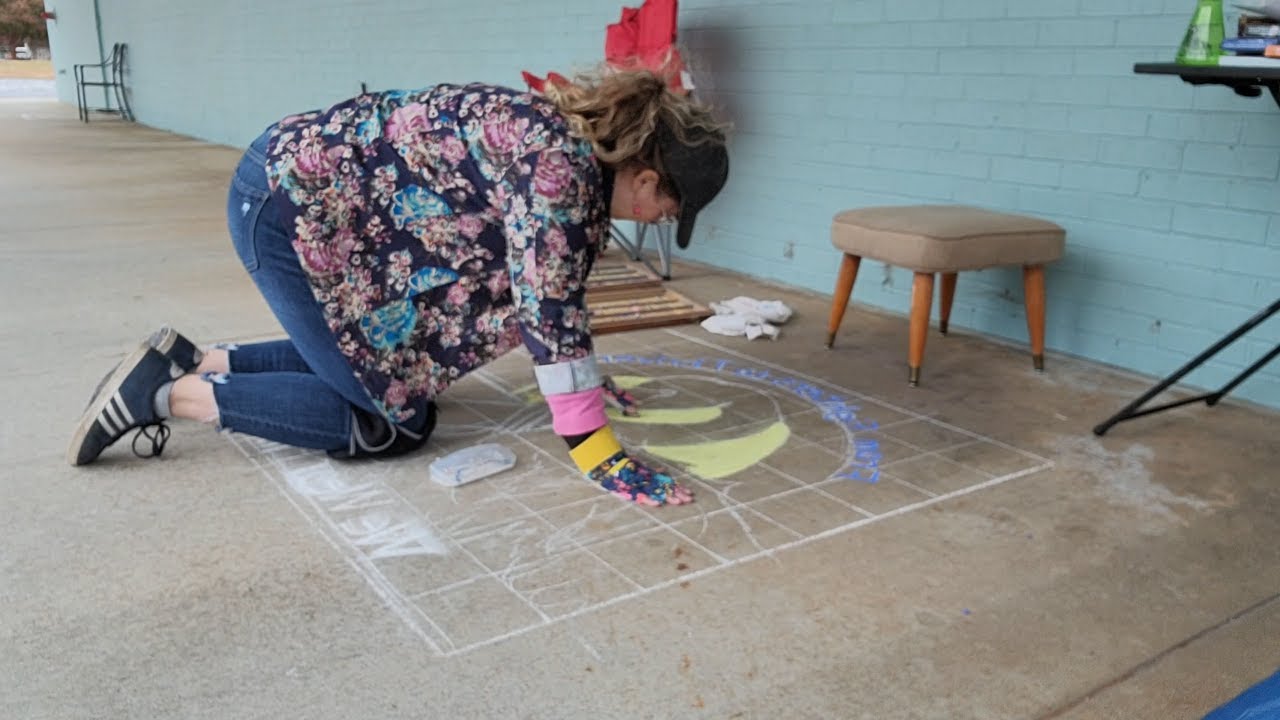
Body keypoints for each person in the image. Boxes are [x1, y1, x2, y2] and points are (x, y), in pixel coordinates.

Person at [67, 68, 730, 508]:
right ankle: (159, 393)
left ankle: (197, 358)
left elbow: (542, 289)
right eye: (673, 206)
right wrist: (597, 450)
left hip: (316, 208)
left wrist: (582, 380)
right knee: (392, 421)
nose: (667, 220)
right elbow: (548, 309)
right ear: (647, 175)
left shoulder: (563, 146)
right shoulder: (561, 174)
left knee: (388, 362)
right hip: (287, 213)